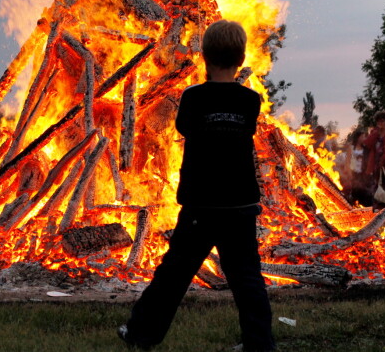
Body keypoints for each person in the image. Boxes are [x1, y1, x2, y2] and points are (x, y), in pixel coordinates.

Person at [117, 20, 275, 352]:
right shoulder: (250, 100)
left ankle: (141, 334)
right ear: (242, 57)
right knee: (247, 278)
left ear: (203, 56)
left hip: (201, 205)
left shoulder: (193, 97)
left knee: (173, 275)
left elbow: (185, 128)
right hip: (239, 205)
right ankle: (260, 344)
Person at [345, 129, 372, 206]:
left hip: (363, 173)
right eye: (363, 136)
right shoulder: (351, 148)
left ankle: (364, 208)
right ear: (358, 137)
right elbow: (347, 161)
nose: (364, 138)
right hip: (354, 173)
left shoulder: (365, 149)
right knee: (355, 192)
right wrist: (348, 172)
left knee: (364, 192)